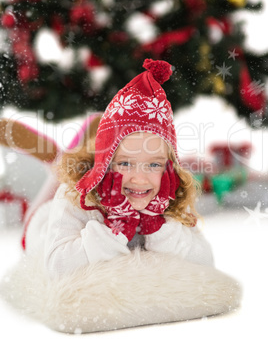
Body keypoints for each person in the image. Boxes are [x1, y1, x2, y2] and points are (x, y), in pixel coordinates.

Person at [24, 59, 213, 278]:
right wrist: (115, 226)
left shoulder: (168, 196)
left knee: (71, 165)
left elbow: (205, 261)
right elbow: (56, 267)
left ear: (170, 167)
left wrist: (158, 225)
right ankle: (57, 164)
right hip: (42, 224)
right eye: (125, 163)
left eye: (153, 164)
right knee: (58, 184)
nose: (140, 179)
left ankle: (76, 151)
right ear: (104, 164)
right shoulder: (75, 197)